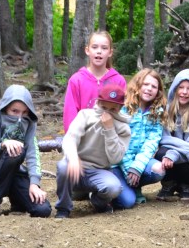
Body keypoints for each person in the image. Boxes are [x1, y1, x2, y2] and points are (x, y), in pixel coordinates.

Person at [54, 84, 131, 218]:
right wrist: (73, 158)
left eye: (113, 109)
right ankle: (63, 208)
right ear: (98, 102)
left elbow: (115, 158)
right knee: (62, 166)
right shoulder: (85, 115)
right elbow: (70, 139)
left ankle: (98, 202)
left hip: (100, 170)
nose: (107, 112)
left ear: (119, 108)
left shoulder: (123, 128)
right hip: (77, 167)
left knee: (114, 188)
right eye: (104, 107)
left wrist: (110, 129)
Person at [41, 30, 127, 152]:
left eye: (104, 48)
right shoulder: (77, 80)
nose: (99, 51)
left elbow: (124, 114)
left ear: (110, 52)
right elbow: (70, 115)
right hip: (83, 142)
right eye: (95, 47)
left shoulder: (119, 81)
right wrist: (72, 143)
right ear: (87, 50)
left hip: (110, 142)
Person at [0, 84, 51, 218]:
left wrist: (34, 184)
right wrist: (4, 144)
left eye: (24, 112)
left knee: (43, 209)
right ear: (6, 107)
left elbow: (33, 154)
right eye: (14, 111)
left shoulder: (29, 122)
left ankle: (18, 202)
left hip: (15, 174)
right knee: (16, 151)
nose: (19, 116)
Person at [114, 68, 167, 208]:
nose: (149, 89)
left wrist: (137, 167)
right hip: (117, 163)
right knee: (127, 202)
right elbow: (116, 142)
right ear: (138, 85)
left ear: (158, 91)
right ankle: (104, 191)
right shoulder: (123, 108)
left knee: (159, 169)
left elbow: (151, 143)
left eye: (154, 86)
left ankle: (133, 184)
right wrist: (128, 169)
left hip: (139, 160)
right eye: (146, 84)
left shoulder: (157, 113)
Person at [156, 69, 189, 201]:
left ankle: (187, 185)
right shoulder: (164, 111)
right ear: (175, 89)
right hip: (169, 159)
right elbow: (163, 139)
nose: (184, 92)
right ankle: (169, 183)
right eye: (181, 87)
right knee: (161, 152)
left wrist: (173, 155)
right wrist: (173, 153)